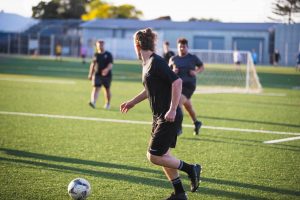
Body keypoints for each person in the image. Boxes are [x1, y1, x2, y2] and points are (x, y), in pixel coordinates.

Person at [120, 28, 202, 200]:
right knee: (163, 155)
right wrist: (132, 102)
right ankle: (179, 193)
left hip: (168, 116)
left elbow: (177, 82)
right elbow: (150, 89)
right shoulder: (147, 63)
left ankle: (190, 168)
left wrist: (172, 109)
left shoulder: (156, 61)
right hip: (159, 116)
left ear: (137, 45)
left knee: (154, 156)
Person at [169, 38, 204, 136]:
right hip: (177, 85)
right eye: (180, 46)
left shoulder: (192, 58)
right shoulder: (173, 59)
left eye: (184, 46)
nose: (181, 48)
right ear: (177, 47)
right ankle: (197, 122)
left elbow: (202, 67)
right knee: (188, 106)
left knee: (178, 101)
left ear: (187, 47)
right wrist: (173, 71)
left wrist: (195, 72)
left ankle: (178, 127)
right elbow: (168, 71)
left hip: (189, 85)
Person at [88, 40, 113, 109]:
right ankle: (93, 102)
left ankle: (107, 104)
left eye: (101, 44)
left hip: (107, 75)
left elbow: (110, 64)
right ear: (96, 46)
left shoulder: (108, 54)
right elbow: (93, 64)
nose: (100, 46)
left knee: (107, 89)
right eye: (99, 45)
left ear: (104, 45)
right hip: (97, 74)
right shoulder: (96, 54)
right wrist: (90, 74)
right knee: (96, 88)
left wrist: (106, 70)